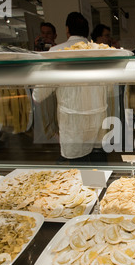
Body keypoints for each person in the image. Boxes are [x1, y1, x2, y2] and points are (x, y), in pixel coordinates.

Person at [33, 12, 109, 160]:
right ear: (87, 30)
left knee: (76, 173)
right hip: (98, 121)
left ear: (67, 30)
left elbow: (39, 94)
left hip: (72, 125)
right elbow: (111, 89)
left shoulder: (56, 52)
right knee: (98, 167)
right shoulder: (101, 51)